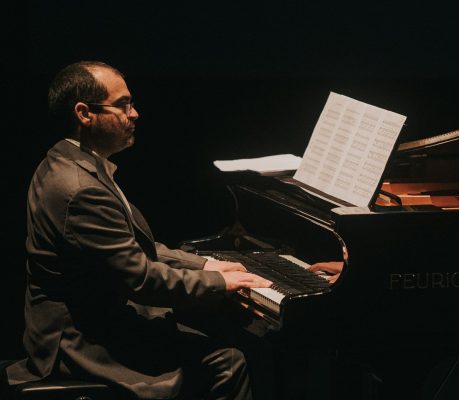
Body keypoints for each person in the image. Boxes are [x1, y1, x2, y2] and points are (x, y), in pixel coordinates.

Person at [4, 61, 273, 399]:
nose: (135, 114)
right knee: (228, 360)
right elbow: (141, 280)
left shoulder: (70, 162)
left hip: (96, 317)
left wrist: (205, 265)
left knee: (223, 330)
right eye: (123, 104)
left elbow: (128, 247)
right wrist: (222, 283)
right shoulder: (79, 188)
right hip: (81, 340)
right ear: (84, 113)